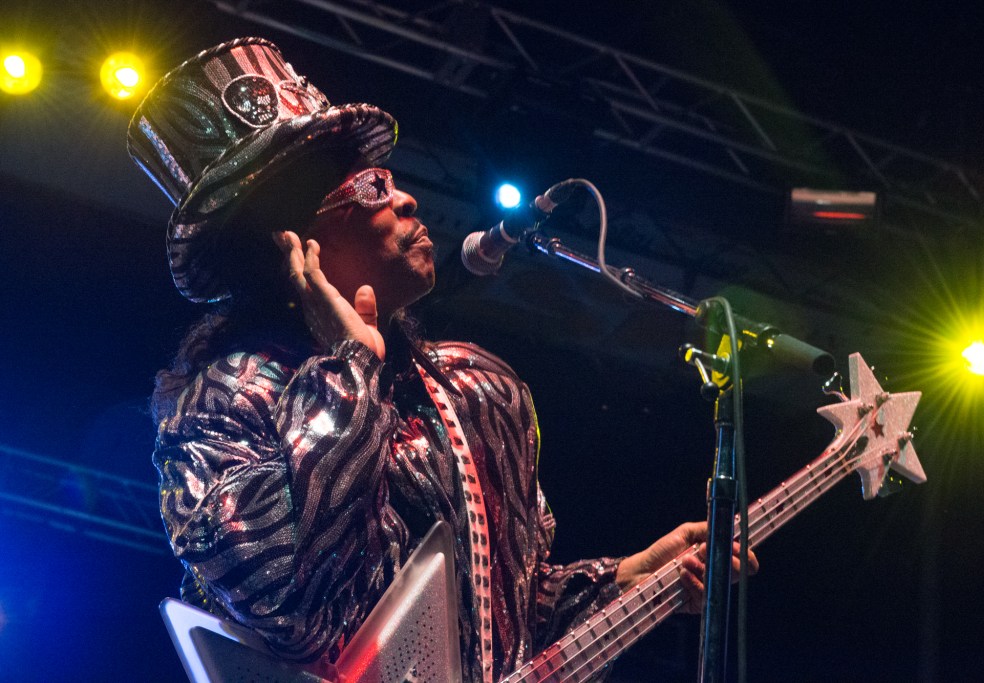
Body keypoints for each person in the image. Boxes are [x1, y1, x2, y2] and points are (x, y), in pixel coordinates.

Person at [131, 38, 756, 682]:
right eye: (373, 188)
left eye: (393, 180)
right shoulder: (223, 399)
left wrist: (626, 579)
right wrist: (351, 370)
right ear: (296, 246)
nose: (406, 200)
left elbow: (510, 616)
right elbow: (287, 609)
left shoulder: (477, 387)